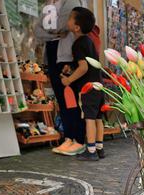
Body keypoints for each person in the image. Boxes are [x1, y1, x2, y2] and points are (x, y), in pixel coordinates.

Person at [35, 0, 87, 156]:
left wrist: (50, 31)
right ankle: (68, 138)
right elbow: (37, 30)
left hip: (65, 55)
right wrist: (54, 33)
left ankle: (78, 139)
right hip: (51, 53)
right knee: (61, 98)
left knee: (70, 98)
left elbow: (65, 25)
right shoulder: (49, 5)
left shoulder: (70, 2)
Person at [60, 7, 105, 161]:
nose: (67, 21)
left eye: (70, 19)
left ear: (76, 27)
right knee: (98, 118)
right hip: (98, 85)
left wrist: (69, 79)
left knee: (89, 119)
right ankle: (99, 148)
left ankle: (91, 151)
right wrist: (71, 66)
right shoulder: (89, 42)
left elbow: (83, 67)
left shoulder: (78, 44)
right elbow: (87, 63)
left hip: (88, 87)